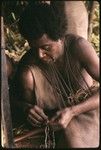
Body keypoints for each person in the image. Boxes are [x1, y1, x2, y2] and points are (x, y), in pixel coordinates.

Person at [11, 2, 99, 148]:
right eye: (34, 48)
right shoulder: (29, 62)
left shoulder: (78, 47)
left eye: (46, 48)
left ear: (59, 37)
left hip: (85, 111)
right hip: (49, 124)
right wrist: (25, 108)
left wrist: (72, 111)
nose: (39, 55)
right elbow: (11, 99)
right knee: (26, 74)